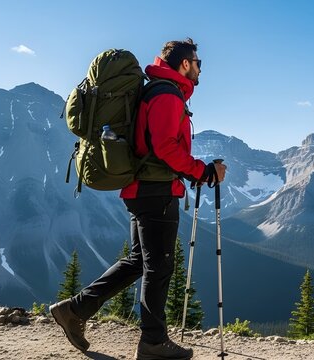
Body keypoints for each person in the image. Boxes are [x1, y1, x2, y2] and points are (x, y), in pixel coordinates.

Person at [50, 38, 226, 360]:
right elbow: (165, 148)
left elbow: (158, 147)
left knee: (139, 262)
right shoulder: (167, 95)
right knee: (159, 267)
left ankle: (74, 310)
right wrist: (202, 171)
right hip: (155, 190)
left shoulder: (160, 90)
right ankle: (153, 343)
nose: (201, 68)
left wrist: (196, 170)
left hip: (144, 188)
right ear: (184, 64)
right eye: (198, 62)